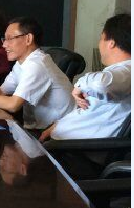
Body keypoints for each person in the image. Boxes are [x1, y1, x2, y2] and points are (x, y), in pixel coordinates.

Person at [0, 17, 73, 130]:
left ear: (28, 39)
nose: (4, 45)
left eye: (10, 39)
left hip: (60, 132)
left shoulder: (36, 65)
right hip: (37, 128)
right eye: (4, 39)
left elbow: (13, 105)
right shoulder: (22, 62)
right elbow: (2, 91)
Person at [40, 13, 131, 142]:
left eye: (101, 39)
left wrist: (80, 85)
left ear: (111, 43)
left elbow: (101, 84)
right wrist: (56, 126)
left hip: (75, 149)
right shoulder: (120, 73)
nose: (99, 45)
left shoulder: (127, 72)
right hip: (61, 140)